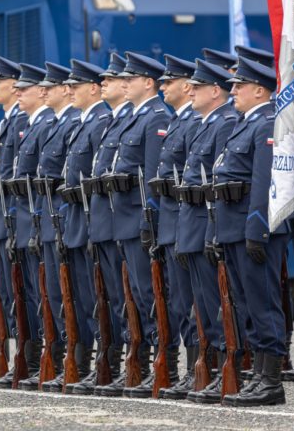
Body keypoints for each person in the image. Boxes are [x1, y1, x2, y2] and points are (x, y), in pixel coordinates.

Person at [216, 57, 289, 407]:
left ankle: (271, 382)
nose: (232, 91)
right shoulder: (244, 123)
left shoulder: (267, 123)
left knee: (263, 305)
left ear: (259, 89)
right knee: (246, 305)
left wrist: (258, 229)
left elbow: (264, 182)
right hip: (233, 226)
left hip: (253, 227)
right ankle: (259, 375)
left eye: (239, 85)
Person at [174, 58, 238, 403]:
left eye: (197, 88)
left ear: (216, 91)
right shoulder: (202, 124)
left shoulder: (224, 124)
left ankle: (226, 368)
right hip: (191, 226)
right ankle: (208, 368)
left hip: (205, 226)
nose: (190, 91)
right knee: (198, 303)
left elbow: (215, 182)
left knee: (216, 304)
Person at [110, 52, 170, 398]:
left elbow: (150, 175)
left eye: (130, 79)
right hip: (124, 218)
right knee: (132, 295)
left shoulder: (155, 117)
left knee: (150, 294)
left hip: (138, 219)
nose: (124, 84)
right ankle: (143, 362)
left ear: (148, 82)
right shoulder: (135, 117)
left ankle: (162, 361)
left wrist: (151, 217)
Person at [141, 54, 200, 399]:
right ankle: (185, 369)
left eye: (169, 82)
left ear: (187, 86)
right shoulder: (178, 121)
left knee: (195, 302)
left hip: (185, 224)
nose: (164, 86)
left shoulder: (189, 122)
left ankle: (198, 368)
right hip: (171, 225)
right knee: (177, 301)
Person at [57, 59, 111, 395]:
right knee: (80, 297)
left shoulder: (101, 122)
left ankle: (108, 362)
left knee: (100, 297)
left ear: (93, 88)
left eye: (75, 87)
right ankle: (92, 362)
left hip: (94, 219)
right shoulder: (82, 123)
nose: (68, 92)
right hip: (76, 218)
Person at [34, 61, 82, 393]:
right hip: (47, 218)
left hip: (66, 218)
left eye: (48, 88)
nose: (42, 92)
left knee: (75, 294)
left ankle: (81, 359)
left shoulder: (72, 124)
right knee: (53, 293)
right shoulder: (57, 124)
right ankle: (64, 356)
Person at [90, 53, 135, 397]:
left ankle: (146, 364)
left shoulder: (146, 119)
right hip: (109, 221)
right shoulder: (115, 122)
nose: (103, 84)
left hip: (130, 222)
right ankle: (125, 362)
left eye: (114, 78)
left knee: (141, 297)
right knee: (115, 297)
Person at [0, 55, 30, 389]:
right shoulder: (5, 122)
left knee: (24, 292)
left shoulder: (23, 121)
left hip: (16, 219)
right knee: (6, 295)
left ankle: (28, 357)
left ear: (14, 87)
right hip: (2, 220)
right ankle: (17, 357)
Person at [9, 63, 54, 388]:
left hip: (41, 220)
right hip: (27, 221)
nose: (17, 94)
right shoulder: (30, 125)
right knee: (36, 293)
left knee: (51, 293)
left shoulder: (48, 124)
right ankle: (42, 355)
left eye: (23, 90)